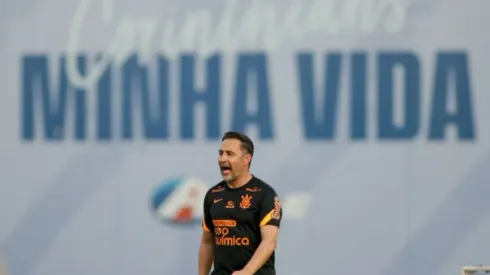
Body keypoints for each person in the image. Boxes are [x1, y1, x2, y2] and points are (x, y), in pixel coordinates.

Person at [198, 131, 282, 275]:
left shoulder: (265, 194)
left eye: (230, 154)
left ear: (246, 159)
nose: (222, 159)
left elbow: (269, 242)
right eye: (221, 153)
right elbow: (207, 242)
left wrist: (246, 272)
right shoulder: (212, 195)